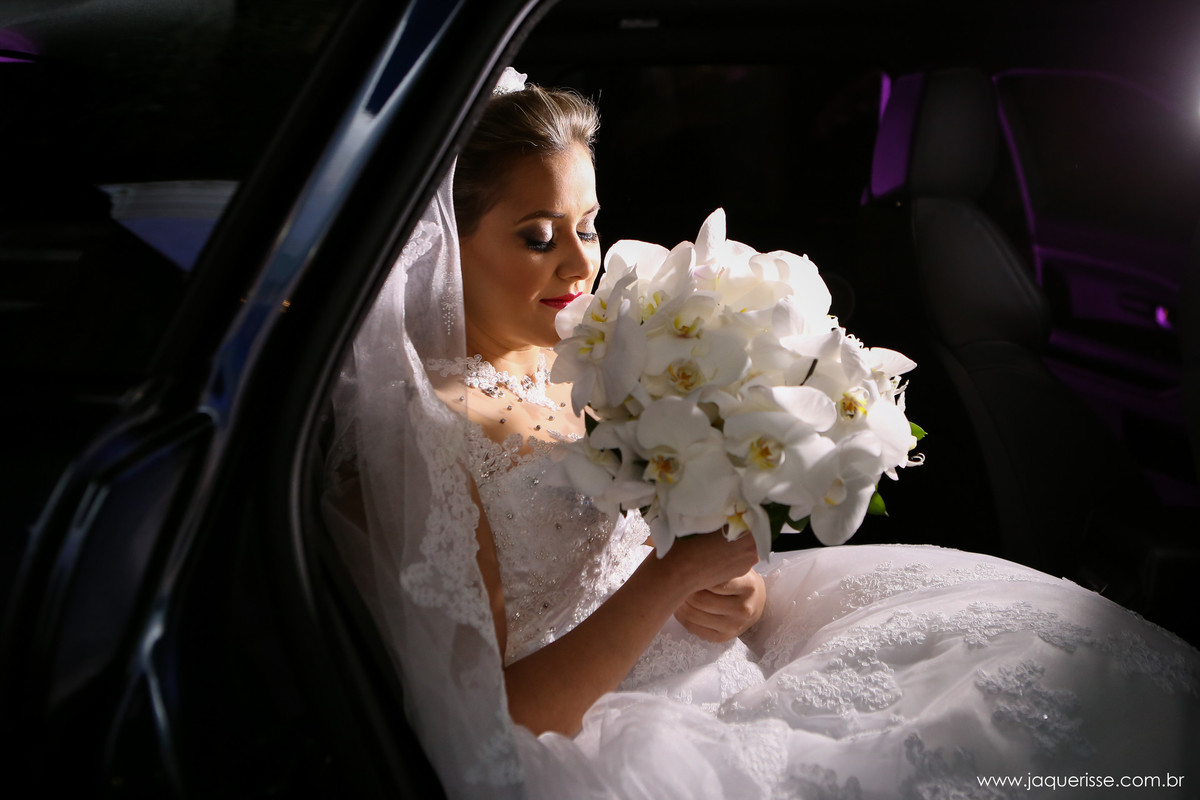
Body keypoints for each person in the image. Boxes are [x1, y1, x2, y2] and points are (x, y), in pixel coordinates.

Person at [323, 70, 1200, 800]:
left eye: (587, 226)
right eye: (536, 235)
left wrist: (729, 592)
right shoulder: (432, 440)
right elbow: (494, 718)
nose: (582, 264)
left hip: (712, 657)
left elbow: (645, 547)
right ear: (438, 242)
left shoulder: (593, 362)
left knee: (1053, 658)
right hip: (606, 732)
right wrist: (669, 581)